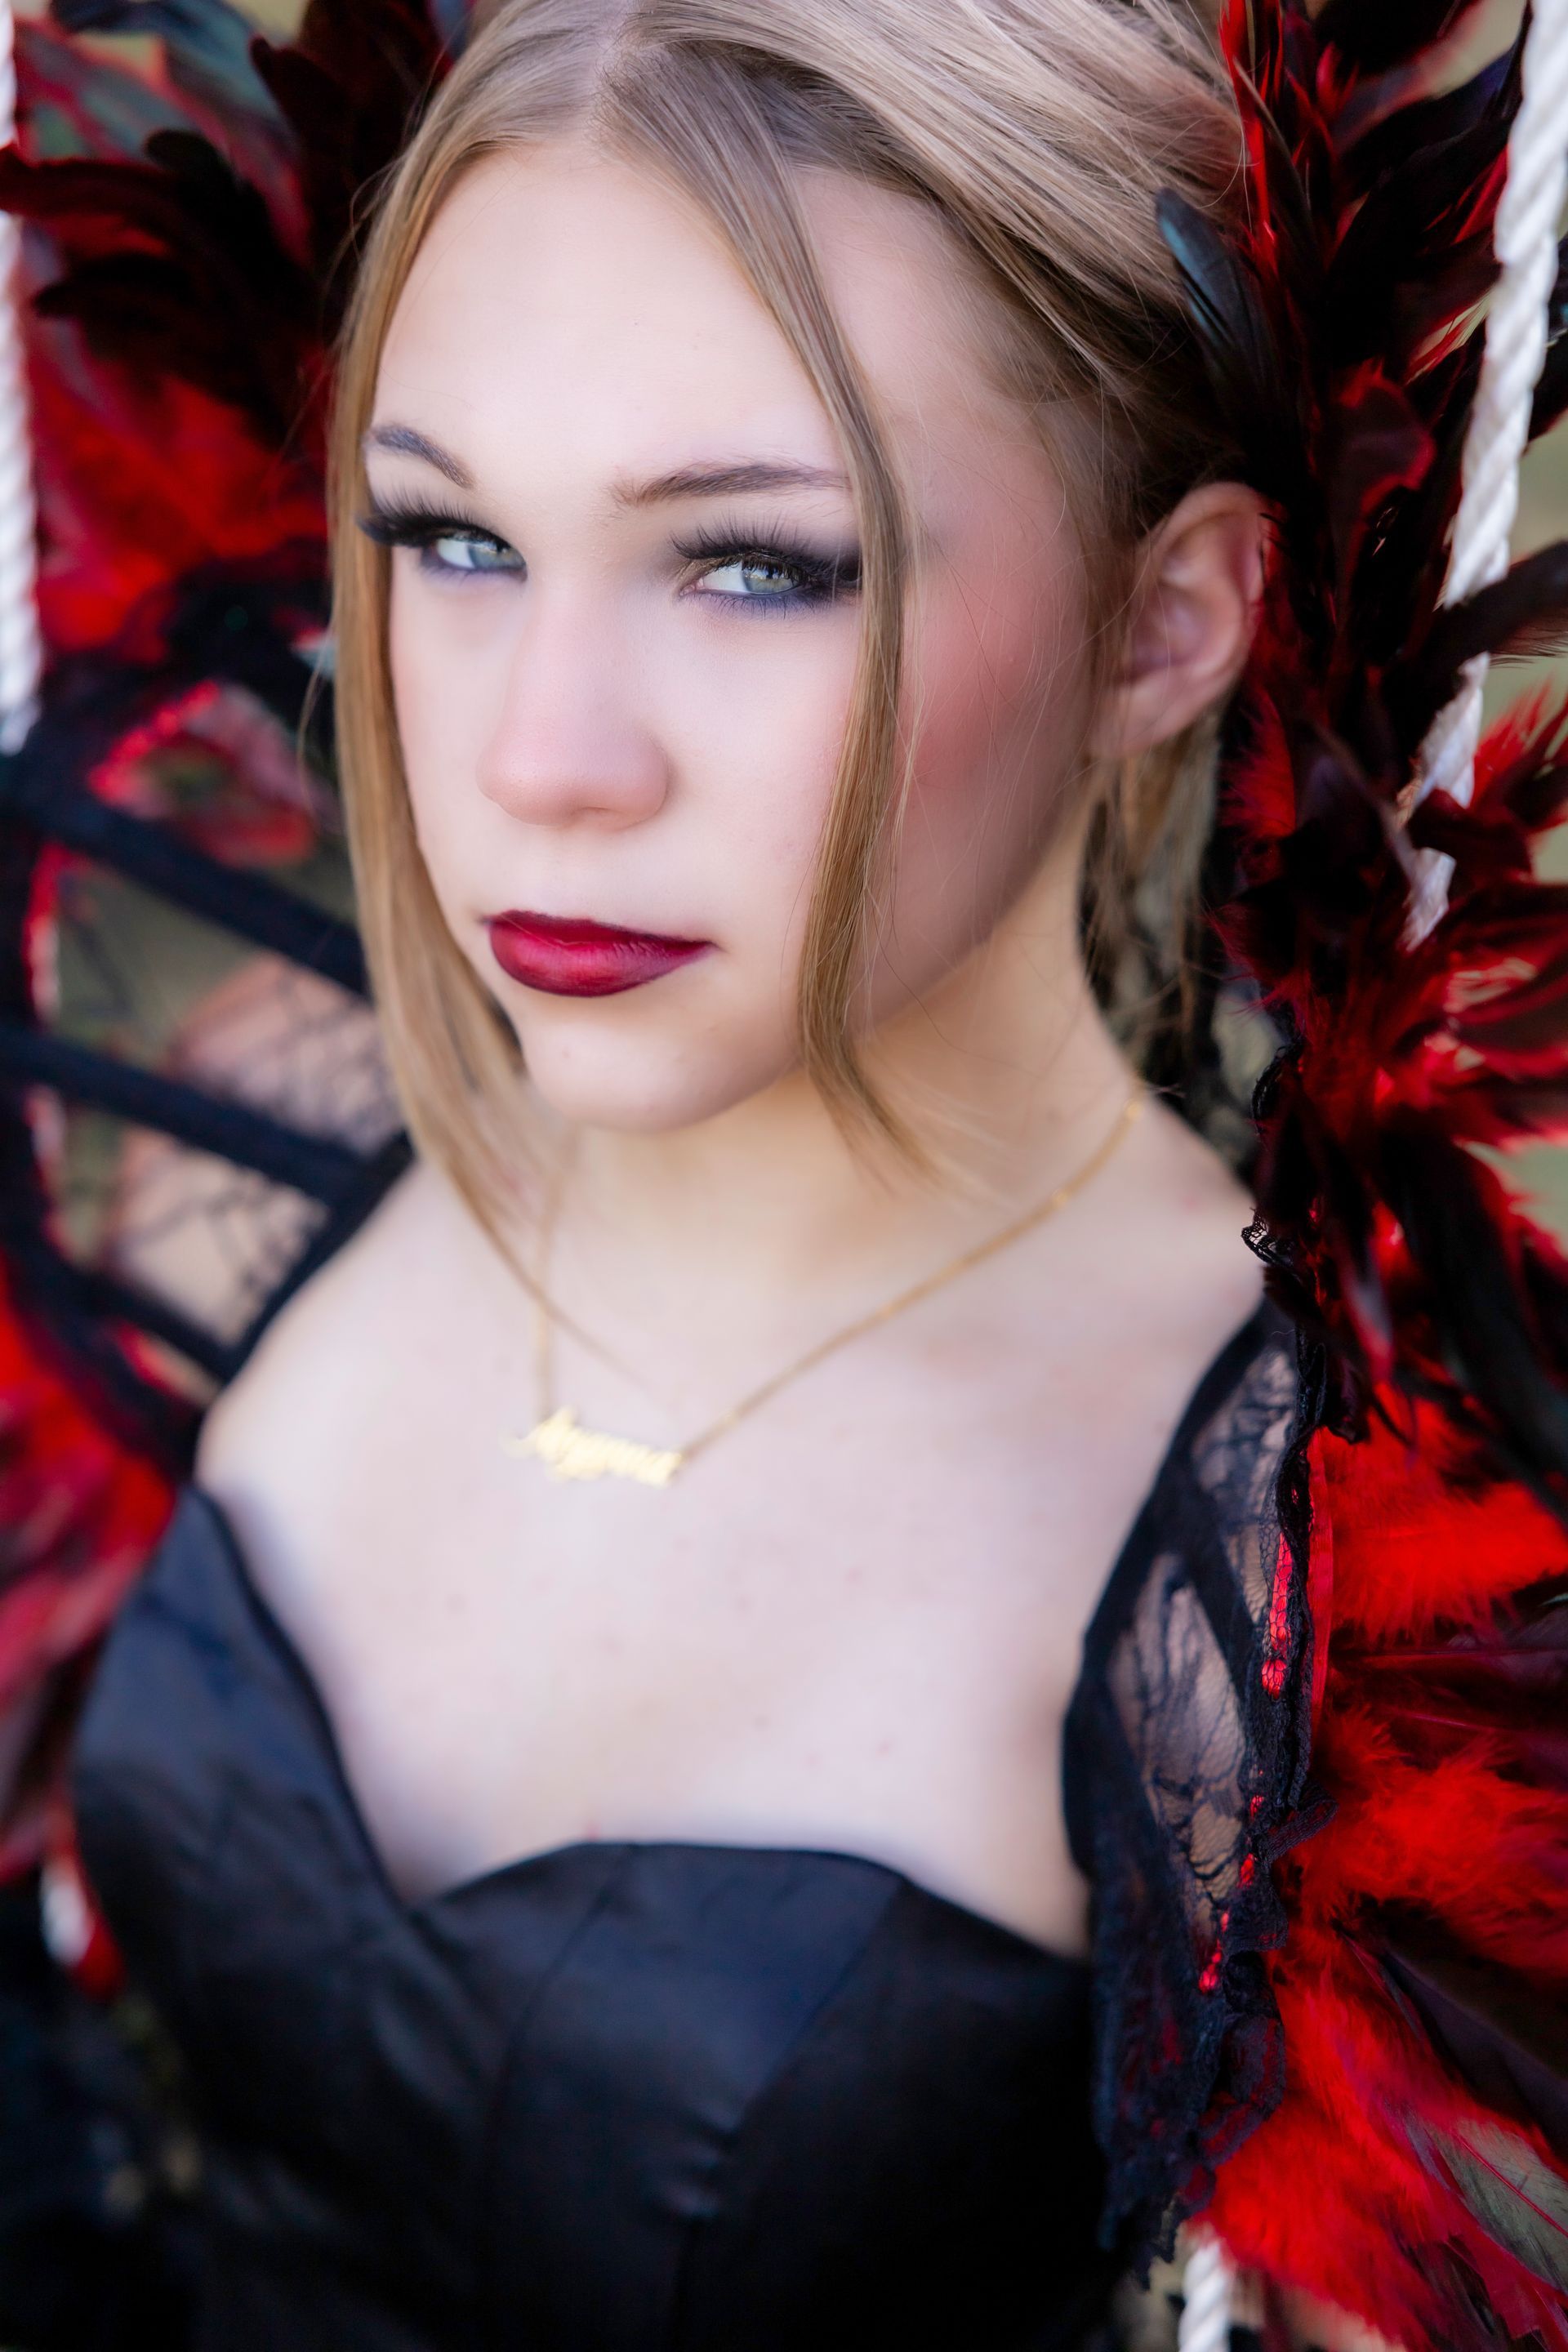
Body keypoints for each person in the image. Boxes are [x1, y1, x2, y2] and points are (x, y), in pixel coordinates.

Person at [19, 0, 1566, 2345]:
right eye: (449, 537)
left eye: (755, 567)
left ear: (1168, 622)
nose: (544, 759)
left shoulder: (1321, 1572)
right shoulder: (250, 1135)